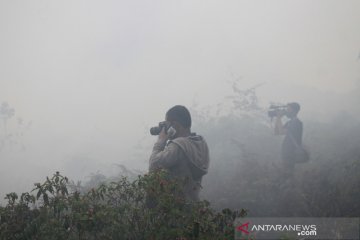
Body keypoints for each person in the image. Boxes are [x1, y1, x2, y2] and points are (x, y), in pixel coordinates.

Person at [149, 105, 210, 202]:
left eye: (167, 124)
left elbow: (154, 164)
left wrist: (161, 140)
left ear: (175, 125)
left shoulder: (178, 146)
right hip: (193, 206)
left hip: (175, 209)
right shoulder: (200, 143)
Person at [274, 102, 303, 176]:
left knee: (288, 173)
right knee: (286, 171)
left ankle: (289, 186)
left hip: (291, 152)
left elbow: (281, 131)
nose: (286, 111)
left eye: (288, 109)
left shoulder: (296, 122)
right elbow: (277, 132)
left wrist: (278, 117)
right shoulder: (290, 122)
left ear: (294, 111)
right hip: (287, 151)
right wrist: (278, 119)